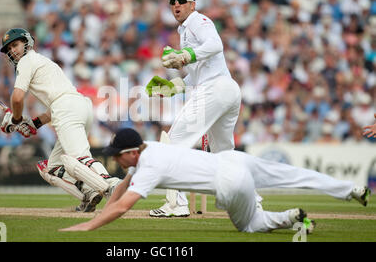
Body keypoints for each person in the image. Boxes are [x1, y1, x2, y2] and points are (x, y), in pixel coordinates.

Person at [59, 128, 370, 232]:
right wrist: (103, 212)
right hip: (235, 159)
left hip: (230, 181)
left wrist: (90, 225)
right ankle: (350, 191)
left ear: (130, 152)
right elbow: (122, 187)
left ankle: (289, 217)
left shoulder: (149, 166)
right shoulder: (149, 148)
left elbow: (123, 206)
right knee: (298, 175)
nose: (114, 159)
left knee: (249, 226)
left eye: (117, 154)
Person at [145, 0, 254, 217]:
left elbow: (216, 45)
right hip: (226, 89)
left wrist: (185, 56)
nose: (176, 5)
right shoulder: (184, 31)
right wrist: (171, 87)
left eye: (181, 1)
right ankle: (253, 203)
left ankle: (177, 204)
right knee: (224, 153)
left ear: (192, 4)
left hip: (216, 89)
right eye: (172, 2)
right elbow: (196, 75)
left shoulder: (197, 20)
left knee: (174, 142)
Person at [0, 28, 120, 212]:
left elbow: (17, 98)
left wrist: (15, 120)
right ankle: (87, 192)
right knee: (51, 168)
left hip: (67, 109)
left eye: (15, 45)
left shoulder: (26, 61)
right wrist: (34, 123)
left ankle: (112, 185)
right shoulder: (44, 61)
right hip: (78, 106)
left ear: (27, 42)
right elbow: (55, 106)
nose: (13, 51)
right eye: (9, 49)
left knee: (79, 158)